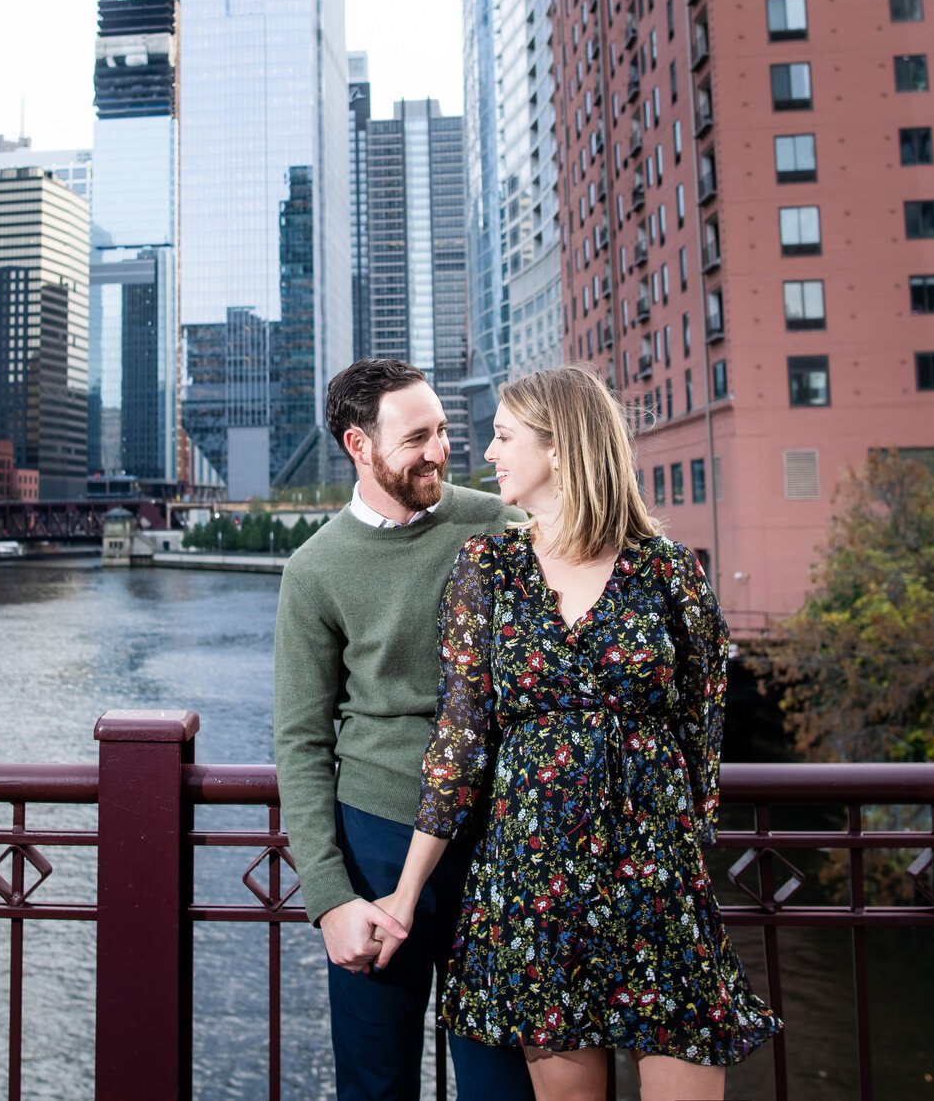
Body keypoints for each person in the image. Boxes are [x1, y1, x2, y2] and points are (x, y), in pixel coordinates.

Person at [372, 367, 780, 1101]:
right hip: (534, 882)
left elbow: (703, 716)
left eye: (502, 437)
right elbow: (460, 741)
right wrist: (406, 892)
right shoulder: (487, 568)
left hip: (655, 883)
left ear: (559, 449)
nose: (487, 455)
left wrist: (672, 827)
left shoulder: (668, 573)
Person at [273, 359, 536, 1101]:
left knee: (501, 1083)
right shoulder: (315, 570)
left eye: (445, 430)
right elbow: (300, 741)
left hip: (495, 839)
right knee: (376, 1080)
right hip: (376, 843)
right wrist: (327, 896)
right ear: (359, 445)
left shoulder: (500, 525)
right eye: (417, 437)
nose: (441, 450)